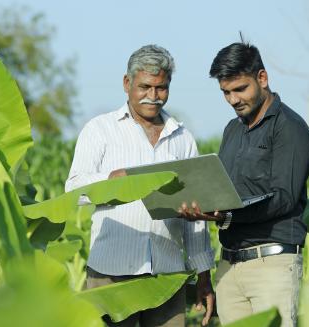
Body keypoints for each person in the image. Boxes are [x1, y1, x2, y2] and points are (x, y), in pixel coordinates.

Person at [65, 44, 215, 326]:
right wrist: (112, 180)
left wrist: (204, 274)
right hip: (110, 274)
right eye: (145, 86)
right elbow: (74, 191)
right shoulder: (100, 130)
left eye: (162, 88)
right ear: (127, 83)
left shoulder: (182, 138)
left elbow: (196, 218)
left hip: (166, 276)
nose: (154, 96)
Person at [179, 42, 309, 327]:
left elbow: (284, 198)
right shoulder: (233, 130)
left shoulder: (289, 127)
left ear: (262, 78)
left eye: (240, 89)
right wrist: (200, 203)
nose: (232, 99)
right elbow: (223, 190)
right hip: (229, 265)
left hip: (272, 266)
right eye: (225, 92)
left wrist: (227, 214)